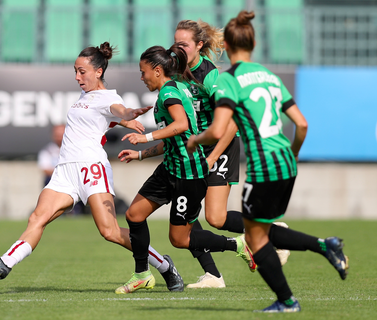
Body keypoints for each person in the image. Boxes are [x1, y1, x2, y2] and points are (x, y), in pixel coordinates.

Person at [0, 42, 185, 292]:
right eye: (75, 71)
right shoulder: (85, 97)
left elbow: (117, 109)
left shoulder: (109, 96)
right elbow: (101, 118)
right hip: (65, 170)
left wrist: (128, 114)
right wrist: (122, 122)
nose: (77, 77)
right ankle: (4, 263)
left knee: (110, 231)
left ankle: (164, 266)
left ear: (98, 72)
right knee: (37, 217)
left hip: (91, 168)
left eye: (82, 71)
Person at [186, 11, 349, 312]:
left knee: (257, 240)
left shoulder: (230, 80)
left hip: (264, 166)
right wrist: (295, 152)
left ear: (228, 47)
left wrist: (196, 140)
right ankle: (317, 256)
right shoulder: (269, 76)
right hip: (286, 161)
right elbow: (301, 125)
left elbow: (219, 129)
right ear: (254, 42)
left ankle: (299, 283)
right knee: (257, 232)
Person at [116, 44, 255, 294]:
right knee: (134, 215)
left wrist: (145, 138)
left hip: (189, 175)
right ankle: (142, 274)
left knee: (179, 239)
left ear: (157, 71)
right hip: (169, 169)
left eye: (143, 71)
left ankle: (237, 245)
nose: (141, 77)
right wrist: (140, 155)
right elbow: (175, 137)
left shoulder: (169, 93)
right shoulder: (176, 88)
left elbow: (180, 125)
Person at [174, 19, 290, 288]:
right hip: (195, 150)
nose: (176, 48)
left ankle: (274, 233)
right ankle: (213, 276)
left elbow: (233, 120)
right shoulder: (178, 71)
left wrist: (213, 156)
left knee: (216, 218)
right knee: (186, 216)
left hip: (220, 146)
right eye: (175, 42)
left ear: (199, 45)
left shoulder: (212, 75)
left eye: (183, 44)